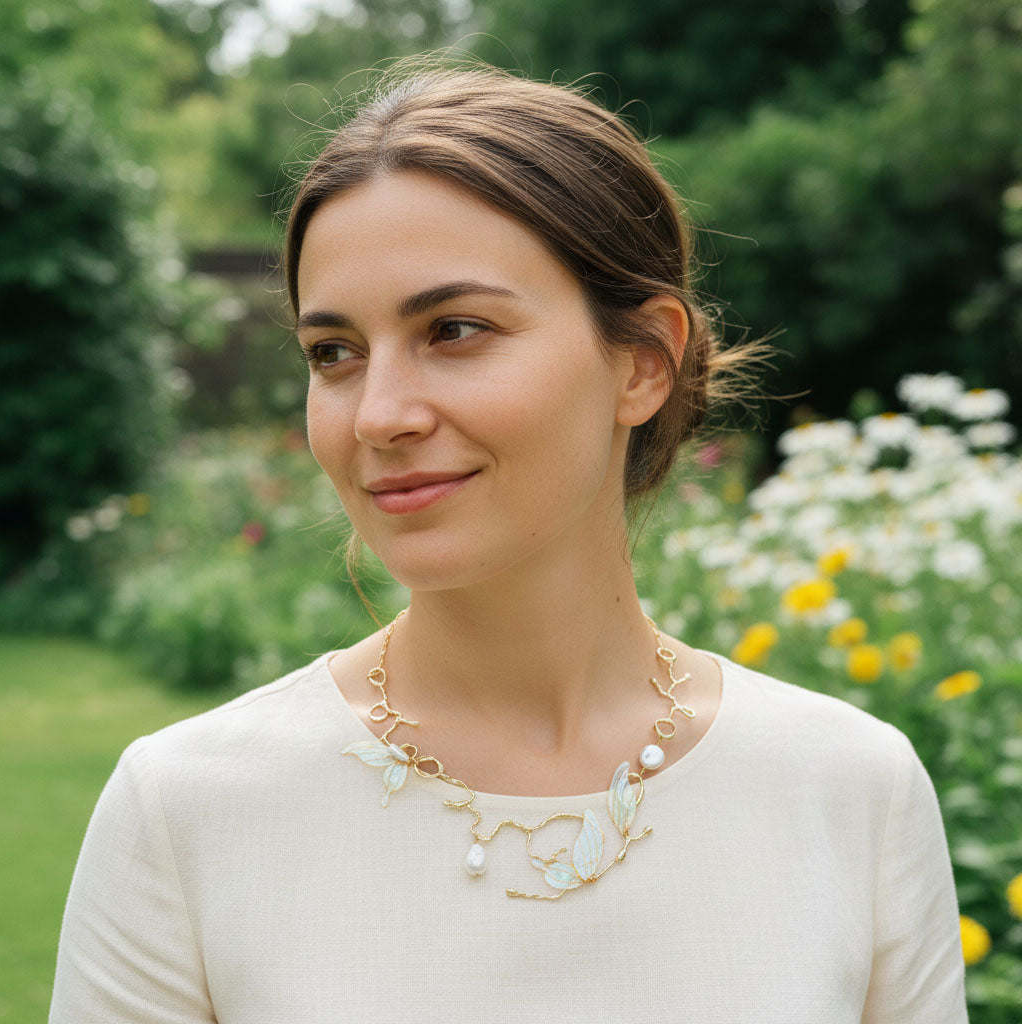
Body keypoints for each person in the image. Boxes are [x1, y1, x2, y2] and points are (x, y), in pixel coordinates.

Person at [50, 59, 967, 1022]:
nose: (379, 415)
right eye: (335, 354)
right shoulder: (189, 812)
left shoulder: (851, 794)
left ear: (644, 362)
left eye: (454, 329)